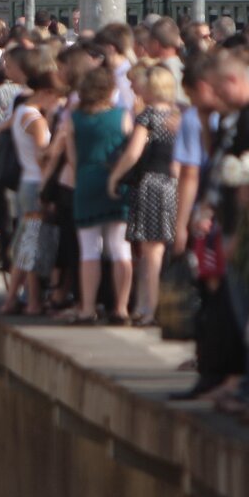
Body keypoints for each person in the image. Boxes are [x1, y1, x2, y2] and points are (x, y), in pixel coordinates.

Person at [108, 64, 180, 326]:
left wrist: (115, 176)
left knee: (150, 251)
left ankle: (150, 308)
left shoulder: (148, 116)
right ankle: (143, 305)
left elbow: (133, 153)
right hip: (172, 184)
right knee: (159, 248)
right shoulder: (177, 115)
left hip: (150, 183)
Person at [63, 67, 131, 325]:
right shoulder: (122, 116)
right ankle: (121, 308)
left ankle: (87, 308)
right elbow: (128, 149)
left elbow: (71, 157)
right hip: (116, 183)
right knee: (119, 248)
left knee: (89, 250)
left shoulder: (73, 118)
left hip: (86, 181)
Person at [0, 49, 62, 314]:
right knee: (31, 245)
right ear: (47, 93)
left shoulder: (22, 110)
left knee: (28, 243)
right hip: (37, 183)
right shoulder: (36, 120)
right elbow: (42, 156)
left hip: (26, 181)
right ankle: (24, 300)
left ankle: (22, 299)